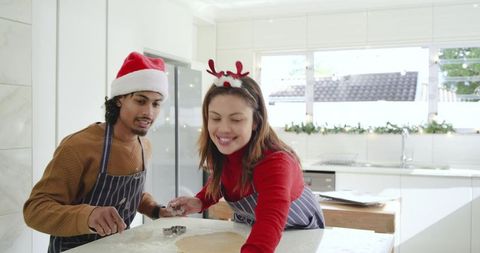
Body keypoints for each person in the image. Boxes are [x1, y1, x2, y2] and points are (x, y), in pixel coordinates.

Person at [168, 59, 325, 253]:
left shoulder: (276, 163)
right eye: (215, 118)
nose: (223, 129)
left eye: (236, 119)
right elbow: (227, 178)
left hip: (296, 235)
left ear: (255, 122)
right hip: (253, 231)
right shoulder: (226, 151)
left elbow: (269, 222)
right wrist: (200, 201)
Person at [24, 52, 174, 253]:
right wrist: (88, 216)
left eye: (156, 104)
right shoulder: (79, 146)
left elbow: (129, 196)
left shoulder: (144, 146)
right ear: (120, 99)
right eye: (140, 101)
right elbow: (35, 210)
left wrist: (156, 209)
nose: (149, 112)